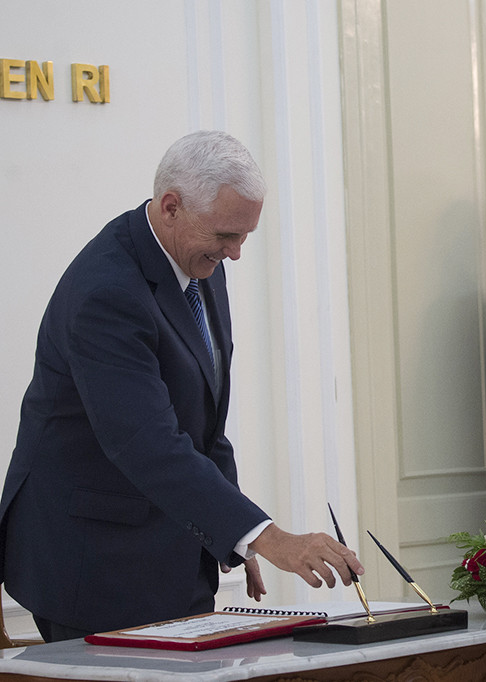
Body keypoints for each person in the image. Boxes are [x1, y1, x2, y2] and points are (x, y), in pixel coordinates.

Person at [0, 130, 364, 642]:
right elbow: (146, 442)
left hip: (169, 548)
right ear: (171, 206)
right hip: (90, 560)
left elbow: (204, 425)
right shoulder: (106, 292)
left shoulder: (201, 262)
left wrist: (233, 537)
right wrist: (266, 537)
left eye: (244, 237)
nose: (235, 253)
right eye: (224, 237)